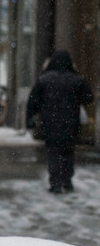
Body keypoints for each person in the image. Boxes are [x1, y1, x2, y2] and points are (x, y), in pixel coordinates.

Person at [25, 49, 94, 193]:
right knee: (68, 152)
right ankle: (67, 181)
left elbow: (33, 102)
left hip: (50, 123)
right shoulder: (76, 80)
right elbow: (88, 97)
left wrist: (30, 119)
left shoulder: (44, 79)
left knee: (53, 153)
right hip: (71, 123)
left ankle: (55, 183)